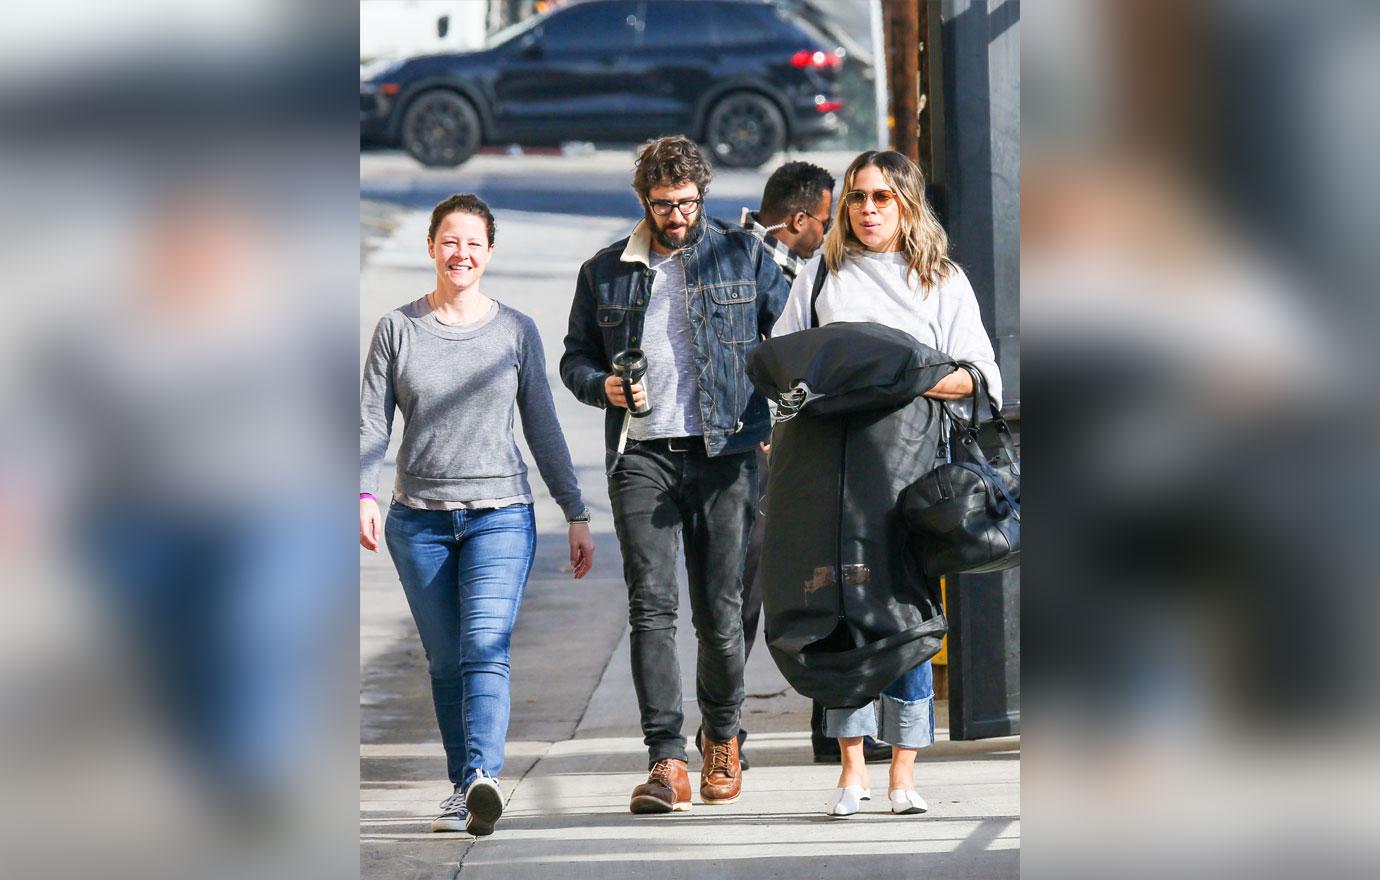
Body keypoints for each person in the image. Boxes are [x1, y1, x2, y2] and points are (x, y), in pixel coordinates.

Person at [560, 136, 789, 814]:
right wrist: (603, 385)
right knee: (651, 611)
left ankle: (722, 737)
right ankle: (665, 759)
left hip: (727, 455)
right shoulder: (605, 271)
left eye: (686, 202)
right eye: (663, 204)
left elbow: (793, 337)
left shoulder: (743, 256)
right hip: (643, 457)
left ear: (703, 195)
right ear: (644, 201)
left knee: (720, 614)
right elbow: (574, 358)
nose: (676, 215)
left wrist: (786, 413)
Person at [771, 150, 1003, 818]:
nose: (867, 210)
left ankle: (903, 773)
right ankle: (851, 771)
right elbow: (784, 367)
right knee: (840, 616)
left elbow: (983, 377)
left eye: (882, 198)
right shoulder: (820, 274)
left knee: (905, 618)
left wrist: (899, 376)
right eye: (857, 198)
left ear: (906, 204)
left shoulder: (941, 279)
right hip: (831, 473)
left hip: (910, 472)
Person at [359, 194, 595, 837]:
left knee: (483, 650)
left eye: (473, 243)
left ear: (489, 253)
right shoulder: (397, 329)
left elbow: (543, 426)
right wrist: (363, 495)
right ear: (430, 246)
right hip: (420, 523)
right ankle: (465, 786)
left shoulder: (515, 330)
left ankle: (484, 777)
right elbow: (370, 425)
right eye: (449, 241)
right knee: (443, 663)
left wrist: (574, 509)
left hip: (500, 516)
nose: (460, 254)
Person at [737, 161, 893, 767]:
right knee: (750, 597)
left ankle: (834, 729)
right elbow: (760, 361)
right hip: (759, 453)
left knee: (824, 583)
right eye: (829, 219)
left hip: (804, 452)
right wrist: (774, 424)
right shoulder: (757, 270)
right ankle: (726, 734)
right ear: (799, 221)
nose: (835, 230)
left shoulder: (803, 267)